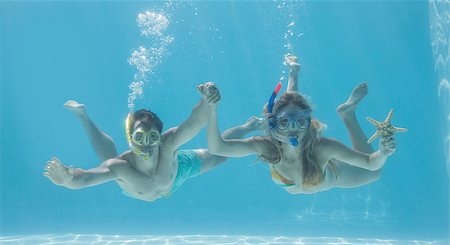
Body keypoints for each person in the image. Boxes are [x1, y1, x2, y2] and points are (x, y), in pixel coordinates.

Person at [206, 54, 397, 194]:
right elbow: (217, 148)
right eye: (284, 122)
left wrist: (383, 153)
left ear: (308, 122)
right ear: (273, 125)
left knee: (375, 173)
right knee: (290, 105)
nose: (293, 128)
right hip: (303, 175)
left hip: (331, 175)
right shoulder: (267, 147)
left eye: (300, 121)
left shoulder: (322, 148)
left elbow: (371, 164)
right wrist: (212, 107)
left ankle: (348, 115)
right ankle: (295, 73)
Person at [44, 82, 261, 202]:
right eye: (139, 137)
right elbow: (84, 179)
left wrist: (207, 100)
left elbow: (195, 122)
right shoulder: (120, 167)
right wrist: (67, 178)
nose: (146, 144)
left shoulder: (168, 144)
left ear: (160, 137)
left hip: (178, 172)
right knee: (108, 159)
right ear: (130, 138)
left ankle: (247, 126)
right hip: (133, 180)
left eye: (152, 137)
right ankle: (83, 116)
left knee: (220, 154)